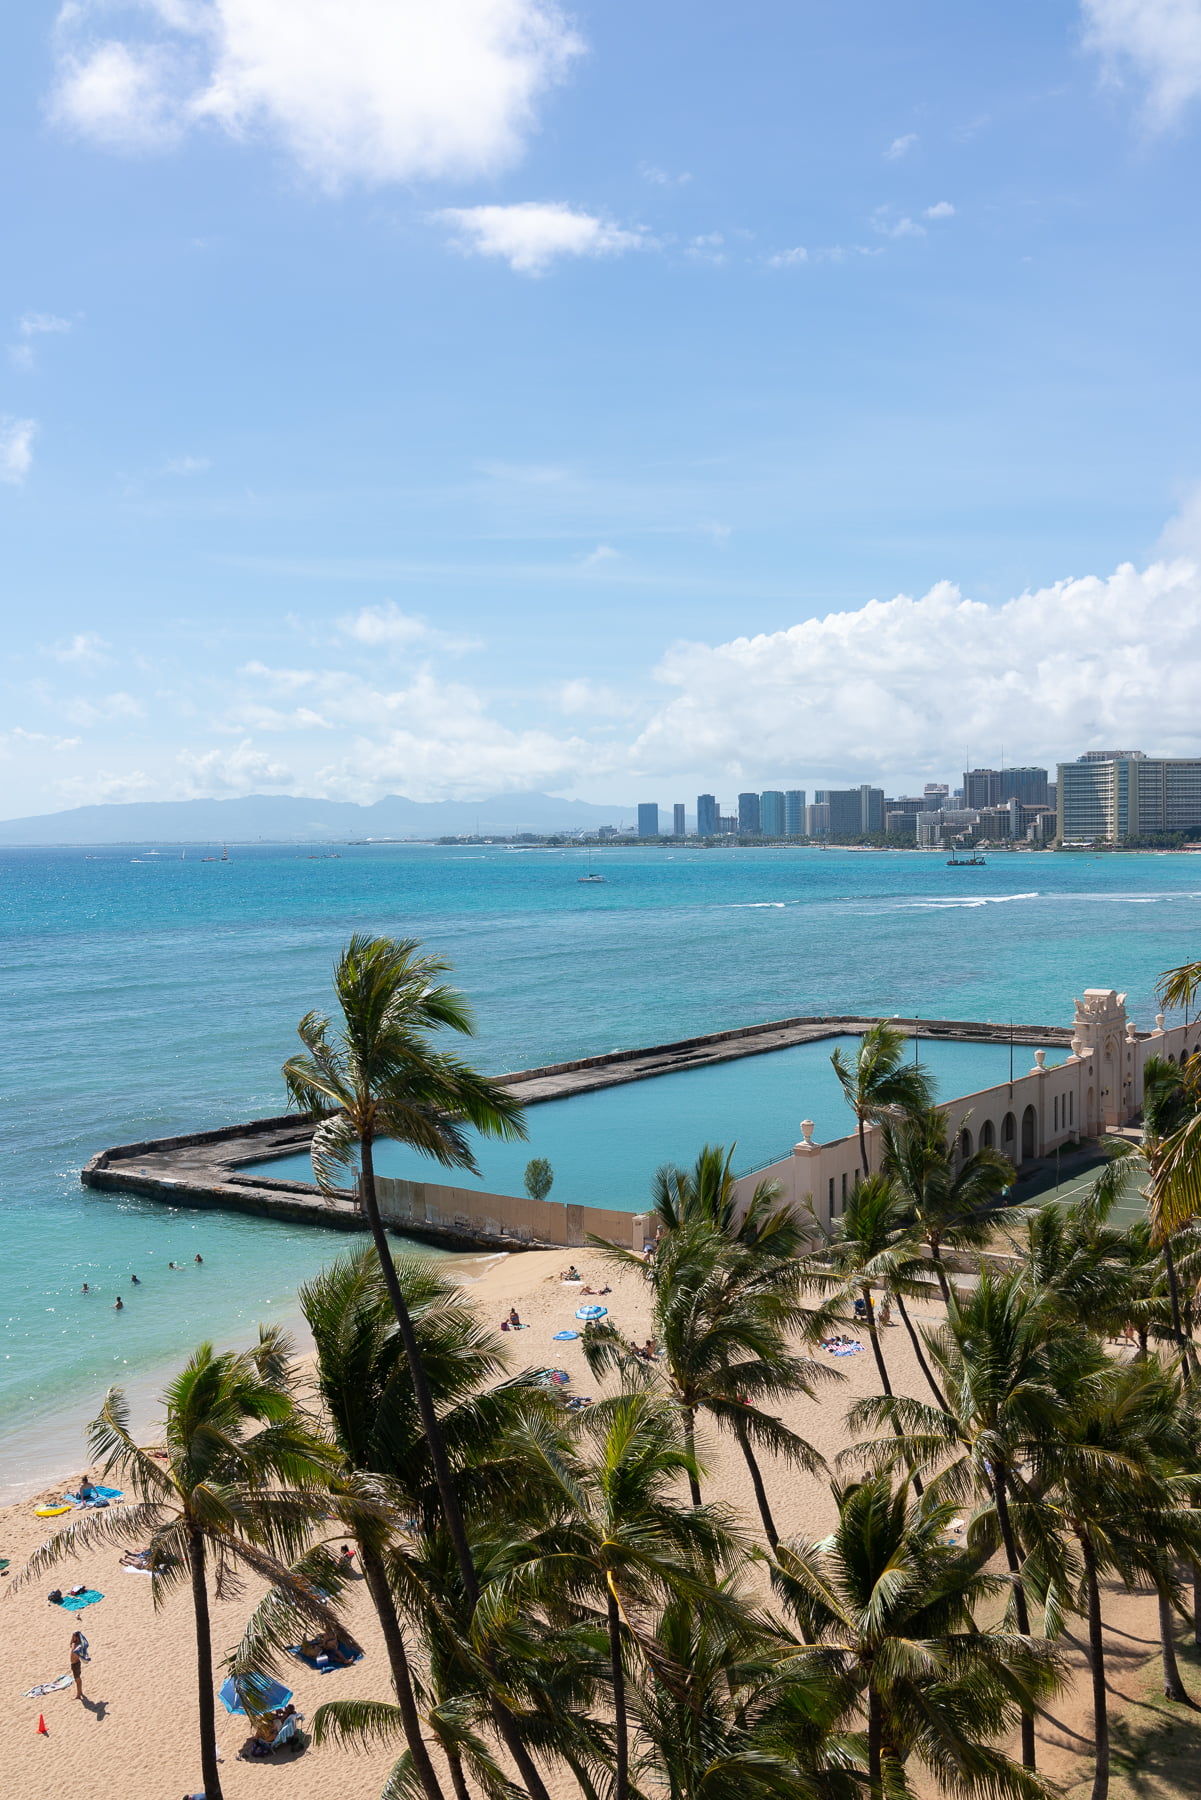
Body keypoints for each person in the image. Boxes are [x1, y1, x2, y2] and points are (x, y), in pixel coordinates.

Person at [69, 1629, 88, 1699]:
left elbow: (75, 1650)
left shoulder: (79, 1646)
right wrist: (72, 1639)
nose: (72, 1638)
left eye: (74, 1636)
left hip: (76, 1664)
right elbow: (70, 1645)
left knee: (77, 1679)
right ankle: (80, 1692)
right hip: (74, 1664)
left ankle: (78, 1695)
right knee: (77, 1679)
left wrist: (74, 1644)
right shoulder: (75, 1643)